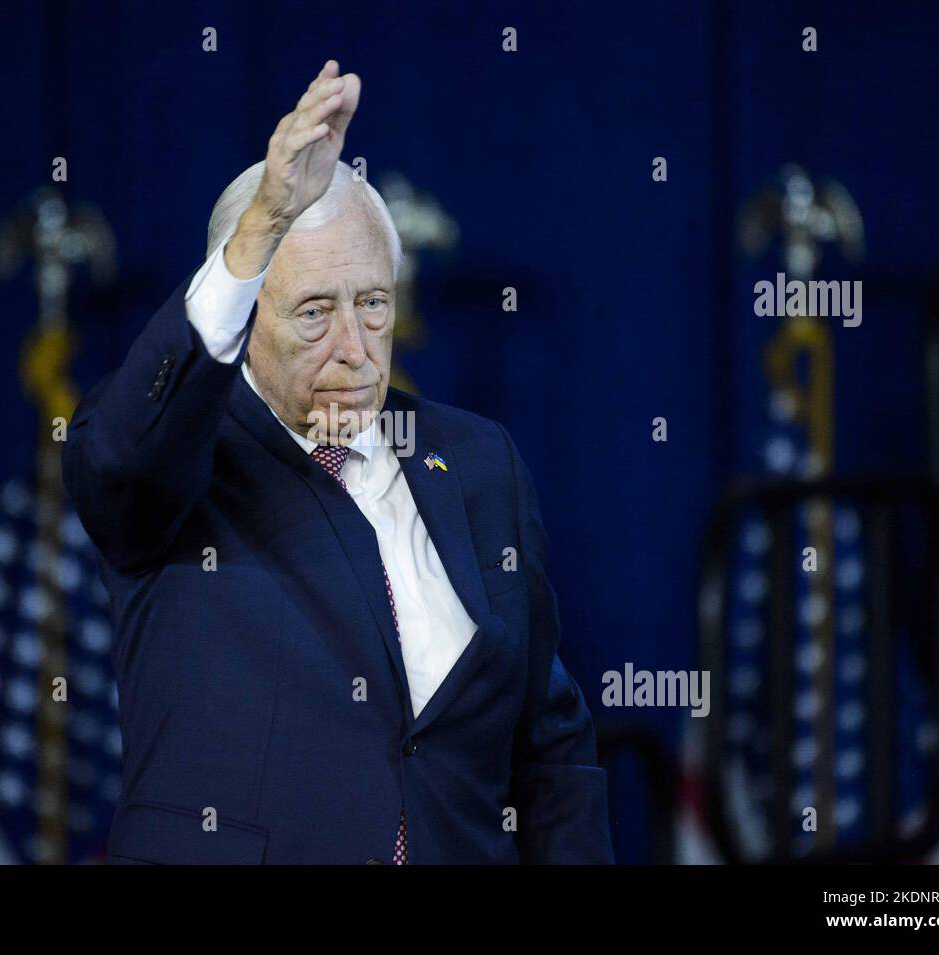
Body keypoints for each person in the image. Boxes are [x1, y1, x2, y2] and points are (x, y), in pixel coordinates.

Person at [64, 60, 612, 864]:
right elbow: (116, 462)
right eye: (315, 313)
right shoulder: (176, 462)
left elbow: (551, 746)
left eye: (374, 305)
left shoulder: (478, 459)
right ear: (248, 316)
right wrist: (265, 222)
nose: (353, 350)